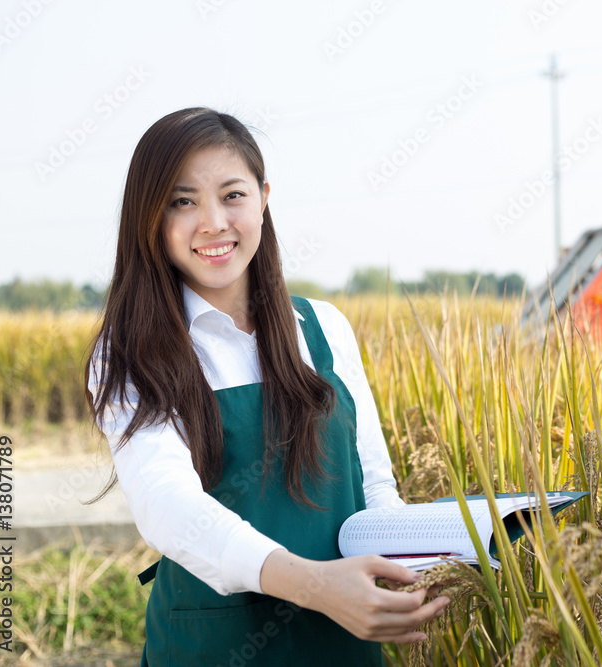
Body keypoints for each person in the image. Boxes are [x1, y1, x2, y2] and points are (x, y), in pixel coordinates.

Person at [85, 107, 448, 666]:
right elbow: (169, 506)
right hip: (214, 648)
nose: (212, 222)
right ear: (150, 218)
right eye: (183, 201)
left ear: (263, 198)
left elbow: (373, 488)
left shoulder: (323, 327)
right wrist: (318, 586)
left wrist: (457, 545)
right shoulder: (131, 351)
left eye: (233, 195)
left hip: (340, 645)